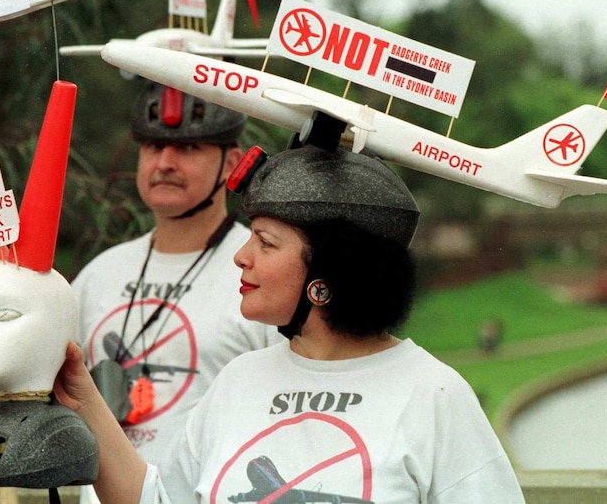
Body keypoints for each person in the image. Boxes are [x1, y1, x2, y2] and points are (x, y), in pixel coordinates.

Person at [52, 138, 527, 503]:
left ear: (327, 274)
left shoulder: (433, 394)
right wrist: (84, 398)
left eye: (265, 242)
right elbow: (157, 499)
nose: (241, 256)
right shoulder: (239, 379)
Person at [0, 82, 280, 498]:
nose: (166, 162)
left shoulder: (262, 274)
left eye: (190, 148)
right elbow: (35, 386)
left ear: (232, 162)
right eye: (153, 147)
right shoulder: (100, 273)